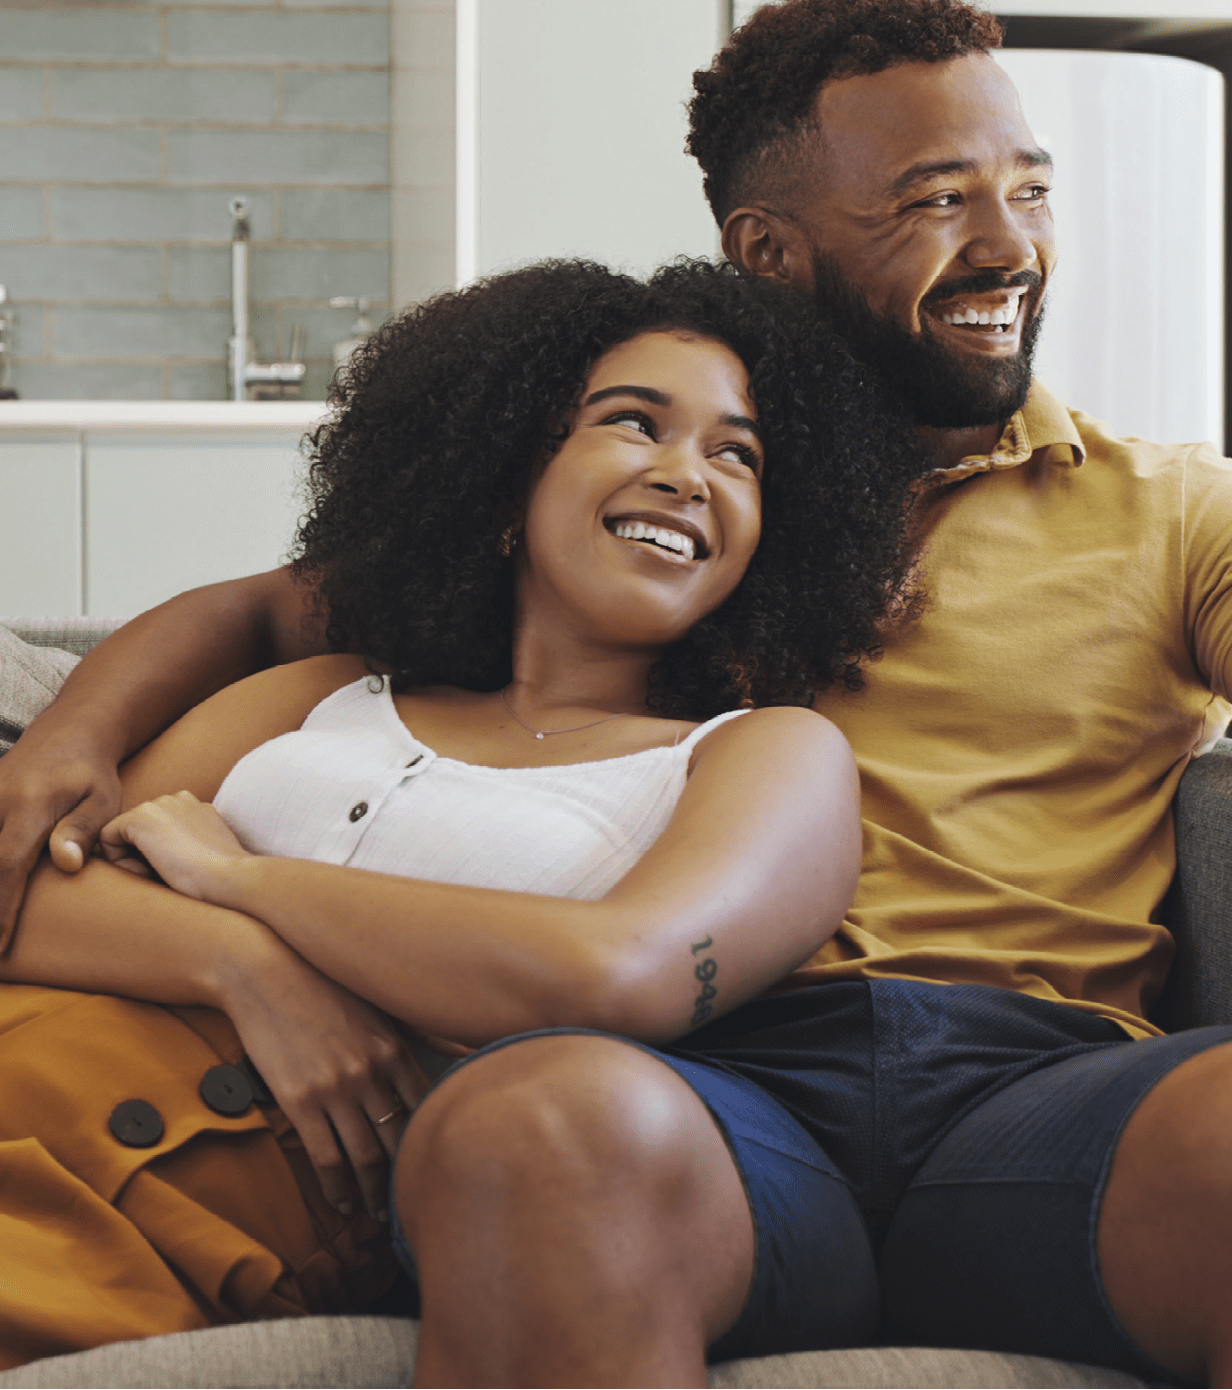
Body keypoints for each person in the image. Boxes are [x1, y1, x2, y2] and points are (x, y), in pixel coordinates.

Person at [0, 2, 1232, 1386]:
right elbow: (263, 612)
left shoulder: (1165, 509)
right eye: (930, 202)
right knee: (541, 1124)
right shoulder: (646, 510)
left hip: (1035, 1089)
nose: (1007, 246)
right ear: (769, 249)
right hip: (692, 1083)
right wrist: (66, 747)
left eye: (1028, 187)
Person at [0, 256, 931, 1369]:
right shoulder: (328, 692)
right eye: (634, 423)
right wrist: (245, 967)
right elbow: (27, 881)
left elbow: (609, 976)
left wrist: (239, 876)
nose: (690, 474)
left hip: (174, 1182)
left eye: (737, 454)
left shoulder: (762, 757)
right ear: (508, 474)